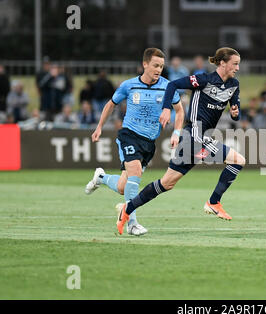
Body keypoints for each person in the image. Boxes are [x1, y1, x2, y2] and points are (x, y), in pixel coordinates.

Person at [115, 47, 245, 235]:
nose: (238, 67)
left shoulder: (234, 85)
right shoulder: (203, 80)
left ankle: (127, 209)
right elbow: (172, 85)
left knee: (167, 183)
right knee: (238, 160)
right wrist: (167, 108)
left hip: (198, 139)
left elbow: (236, 111)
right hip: (194, 134)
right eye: (235, 63)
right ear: (222, 63)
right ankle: (214, 202)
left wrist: (235, 112)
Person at [85, 48, 184, 236]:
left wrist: (176, 133)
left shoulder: (167, 87)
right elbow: (110, 105)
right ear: (145, 64)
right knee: (135, 172)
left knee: (124, 187)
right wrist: (99, 127)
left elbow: (179, 111)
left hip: (149, 143)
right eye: (155, 65)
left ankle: (101, 178)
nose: (158, 70)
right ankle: (132, 223)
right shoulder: (129, 86)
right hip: (129, 135)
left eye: (161, 66)